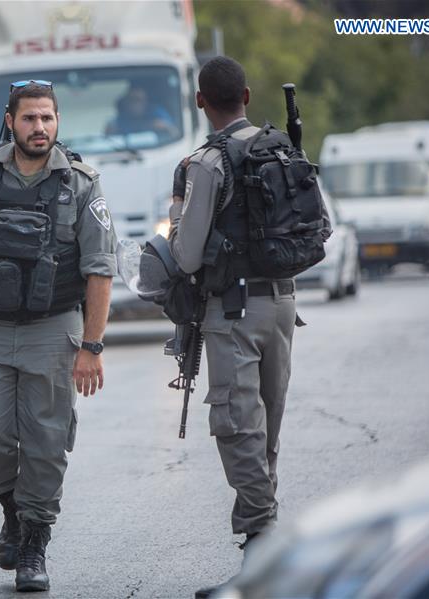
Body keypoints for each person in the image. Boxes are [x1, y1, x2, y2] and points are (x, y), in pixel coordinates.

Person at [0, 81, 117, 592]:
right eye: (30, 118)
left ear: (57, 121)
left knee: (46, 440)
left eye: (48, 118)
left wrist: (92, 345)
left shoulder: (80, 183)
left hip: (54, 328)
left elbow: (100, 268)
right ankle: (13, 508)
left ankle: (34, 540)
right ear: (10, 122)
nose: (40, 127)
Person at [167, 57, 297, 597]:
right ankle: (263, 550)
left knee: (238, 427)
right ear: (246, 95)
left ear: (201, 101)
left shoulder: (207, 163)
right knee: (264, 426)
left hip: (234, 312)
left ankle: (263, 547)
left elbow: (187, 256)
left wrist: (177, 211)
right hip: (283, 302)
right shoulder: (281, 148)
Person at [105, 85, 179, 139]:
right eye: (132, 100)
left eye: (138, 100)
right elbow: (108, 138)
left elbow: (174, 132)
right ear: (126, 103)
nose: (135, 104)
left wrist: (165, 126)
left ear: (146, 102)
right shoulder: (121, 119)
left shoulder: (156, 112)